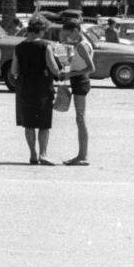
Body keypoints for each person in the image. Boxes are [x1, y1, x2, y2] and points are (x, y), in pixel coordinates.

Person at [10, 14, 63, 165]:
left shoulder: (19, 47)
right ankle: (43, 154)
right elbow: (53, 67)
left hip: (25, 87)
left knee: (29, 123)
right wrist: (60, 74)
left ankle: (33, 154)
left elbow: (14, 71)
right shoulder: (45, 46)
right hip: (42, 86)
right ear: (41, 30)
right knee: (44, 123)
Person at [58, 13, 95, 166]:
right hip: (79, 81)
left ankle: (82, 156)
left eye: (68, 33)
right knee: (80, 118)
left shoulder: (81, 45)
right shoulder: (83, 43)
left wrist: (71, 74)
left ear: (76, 30)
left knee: (80, 118)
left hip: (81, 82)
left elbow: (91, 68)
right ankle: (81, 155)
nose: (67, 37)